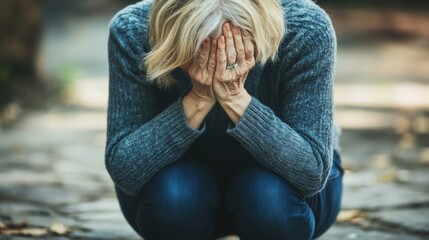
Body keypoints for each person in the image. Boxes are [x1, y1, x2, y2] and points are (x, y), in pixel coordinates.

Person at [105, 0, 344, 239]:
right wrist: (198, 98)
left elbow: (312, 171)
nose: (218, 62)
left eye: (232, 50)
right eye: (201, 51)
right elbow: (125, 170)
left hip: (283, 198)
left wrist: (235, 97)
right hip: (177, 192)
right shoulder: (133, 29)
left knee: (265, 198)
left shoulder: (306, 28)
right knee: (176, 194)